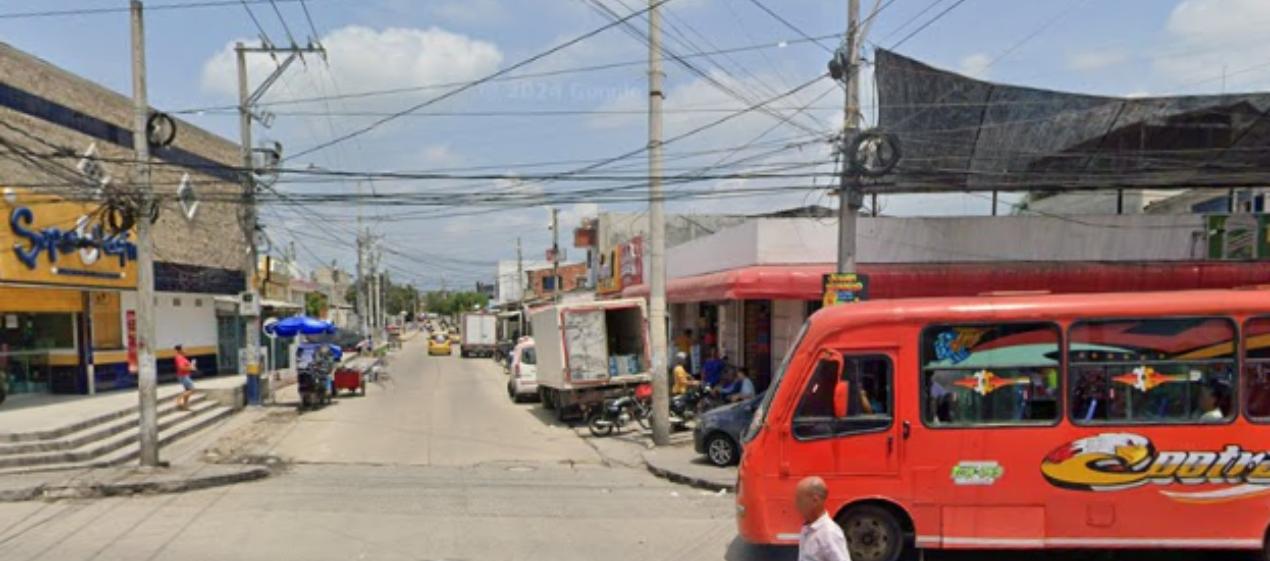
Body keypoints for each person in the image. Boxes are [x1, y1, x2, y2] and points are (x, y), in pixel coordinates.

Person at [795, 476, 851, 561]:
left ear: (815, 501)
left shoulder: (829, 533)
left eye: (799, 500)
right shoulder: (808, 528)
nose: (796, 504)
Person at [174, 344, 196, 411]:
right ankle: (178, 398)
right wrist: (190, 368)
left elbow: (186, 366)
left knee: (187, 390)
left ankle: (185, 406)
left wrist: (192, 366)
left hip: (185, 375)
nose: (185, 350)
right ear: (180, 350)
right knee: (192, 389)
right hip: (183, 376)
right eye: (184, 349)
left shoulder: (182, 357)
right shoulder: (179, 358)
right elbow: (181, 368)